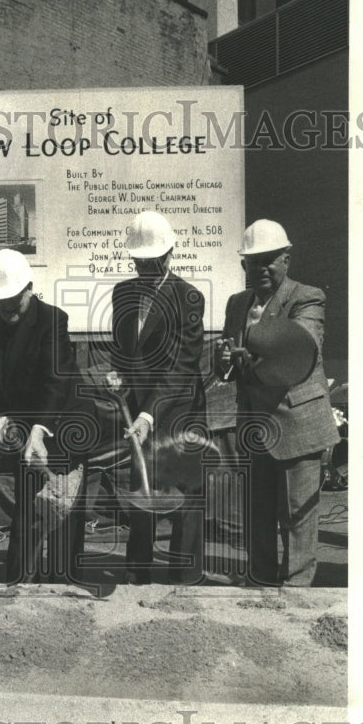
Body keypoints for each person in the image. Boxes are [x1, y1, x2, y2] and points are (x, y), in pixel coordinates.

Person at [215, 219, 340, 586]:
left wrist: (247, 349)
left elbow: (300, 348)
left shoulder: (306, 297)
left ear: (286, 259)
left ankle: (298, 590)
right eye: (254, 262)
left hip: (297, 421)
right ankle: (261, 581)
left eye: (270, 259)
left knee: (298, 515)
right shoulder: (237, 303)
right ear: (243, 267)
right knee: (258, 512)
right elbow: (229, 362)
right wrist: (224, 364)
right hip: (255, 425)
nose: (262, 268)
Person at [106, 210, 208, 585]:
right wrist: (117, 374)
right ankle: (137, 575)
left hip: (182, 412)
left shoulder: (188, 298)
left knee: (184, 498)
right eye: (139, 262)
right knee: (142, 491)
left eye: (152, 262)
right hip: (140, 413)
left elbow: (181, 366)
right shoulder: (122, 293)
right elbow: (122, 349)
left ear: (169, 256)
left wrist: (148, 416)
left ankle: (184, 579)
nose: (145, 269)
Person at [0, 249, 91, 585]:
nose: (7, 311)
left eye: (13, 301)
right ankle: (19, 584)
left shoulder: (52, 320)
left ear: (29, 288)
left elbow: (55, 381)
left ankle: (64, 585)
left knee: (62, 510)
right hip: (26, 422)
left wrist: (40, 430)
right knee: (28, 508)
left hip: (64, 420)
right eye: (0, 304)